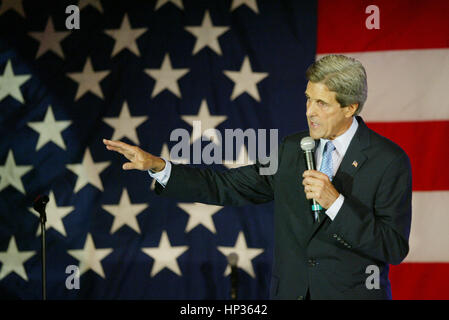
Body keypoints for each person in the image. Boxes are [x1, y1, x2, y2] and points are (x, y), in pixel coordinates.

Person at [103, 54, 412, 300]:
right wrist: (160, 166)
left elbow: (393, 247)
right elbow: (226, 186)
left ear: (351, 108)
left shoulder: (388, 160)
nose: (309, 112)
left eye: (321, 103)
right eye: (307, 99)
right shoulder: (292, 150)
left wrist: (335, 203)